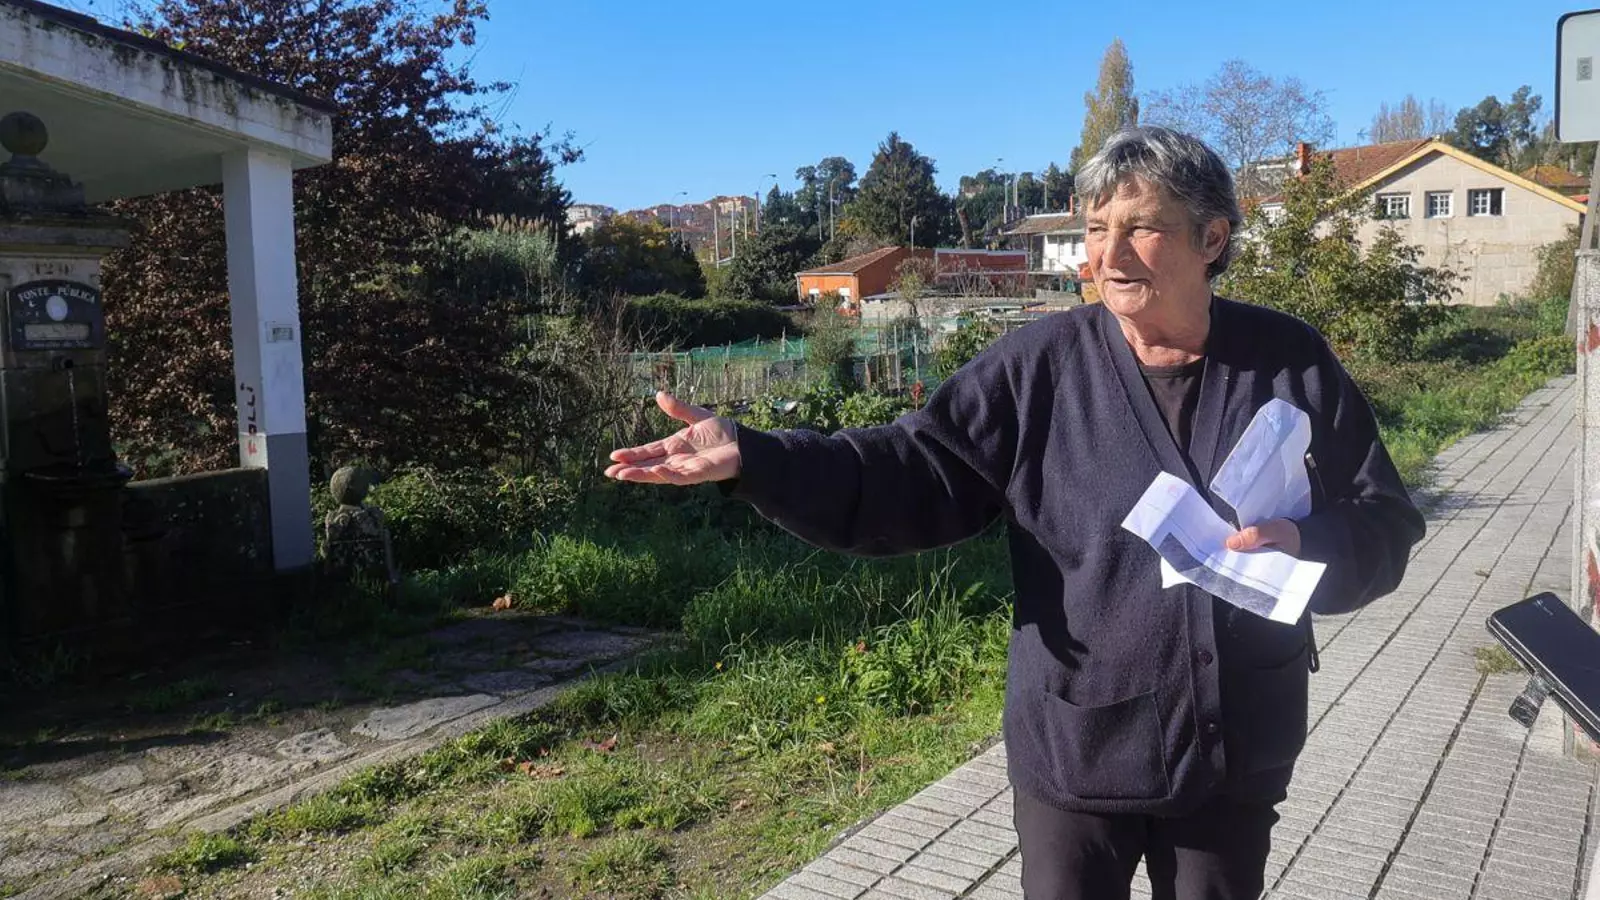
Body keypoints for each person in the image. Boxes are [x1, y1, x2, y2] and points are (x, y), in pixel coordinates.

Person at [606, 126, 1425, 900]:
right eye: (1096, 229)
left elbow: (1383, 519)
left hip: (1234, 746)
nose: (1108, 255)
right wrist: (757, 458)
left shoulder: (1287, 360)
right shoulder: (1039, 370)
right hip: (1081, 750)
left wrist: (1305, 542)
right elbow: (909, 469)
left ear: (1212, 238)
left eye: (1141, 228)